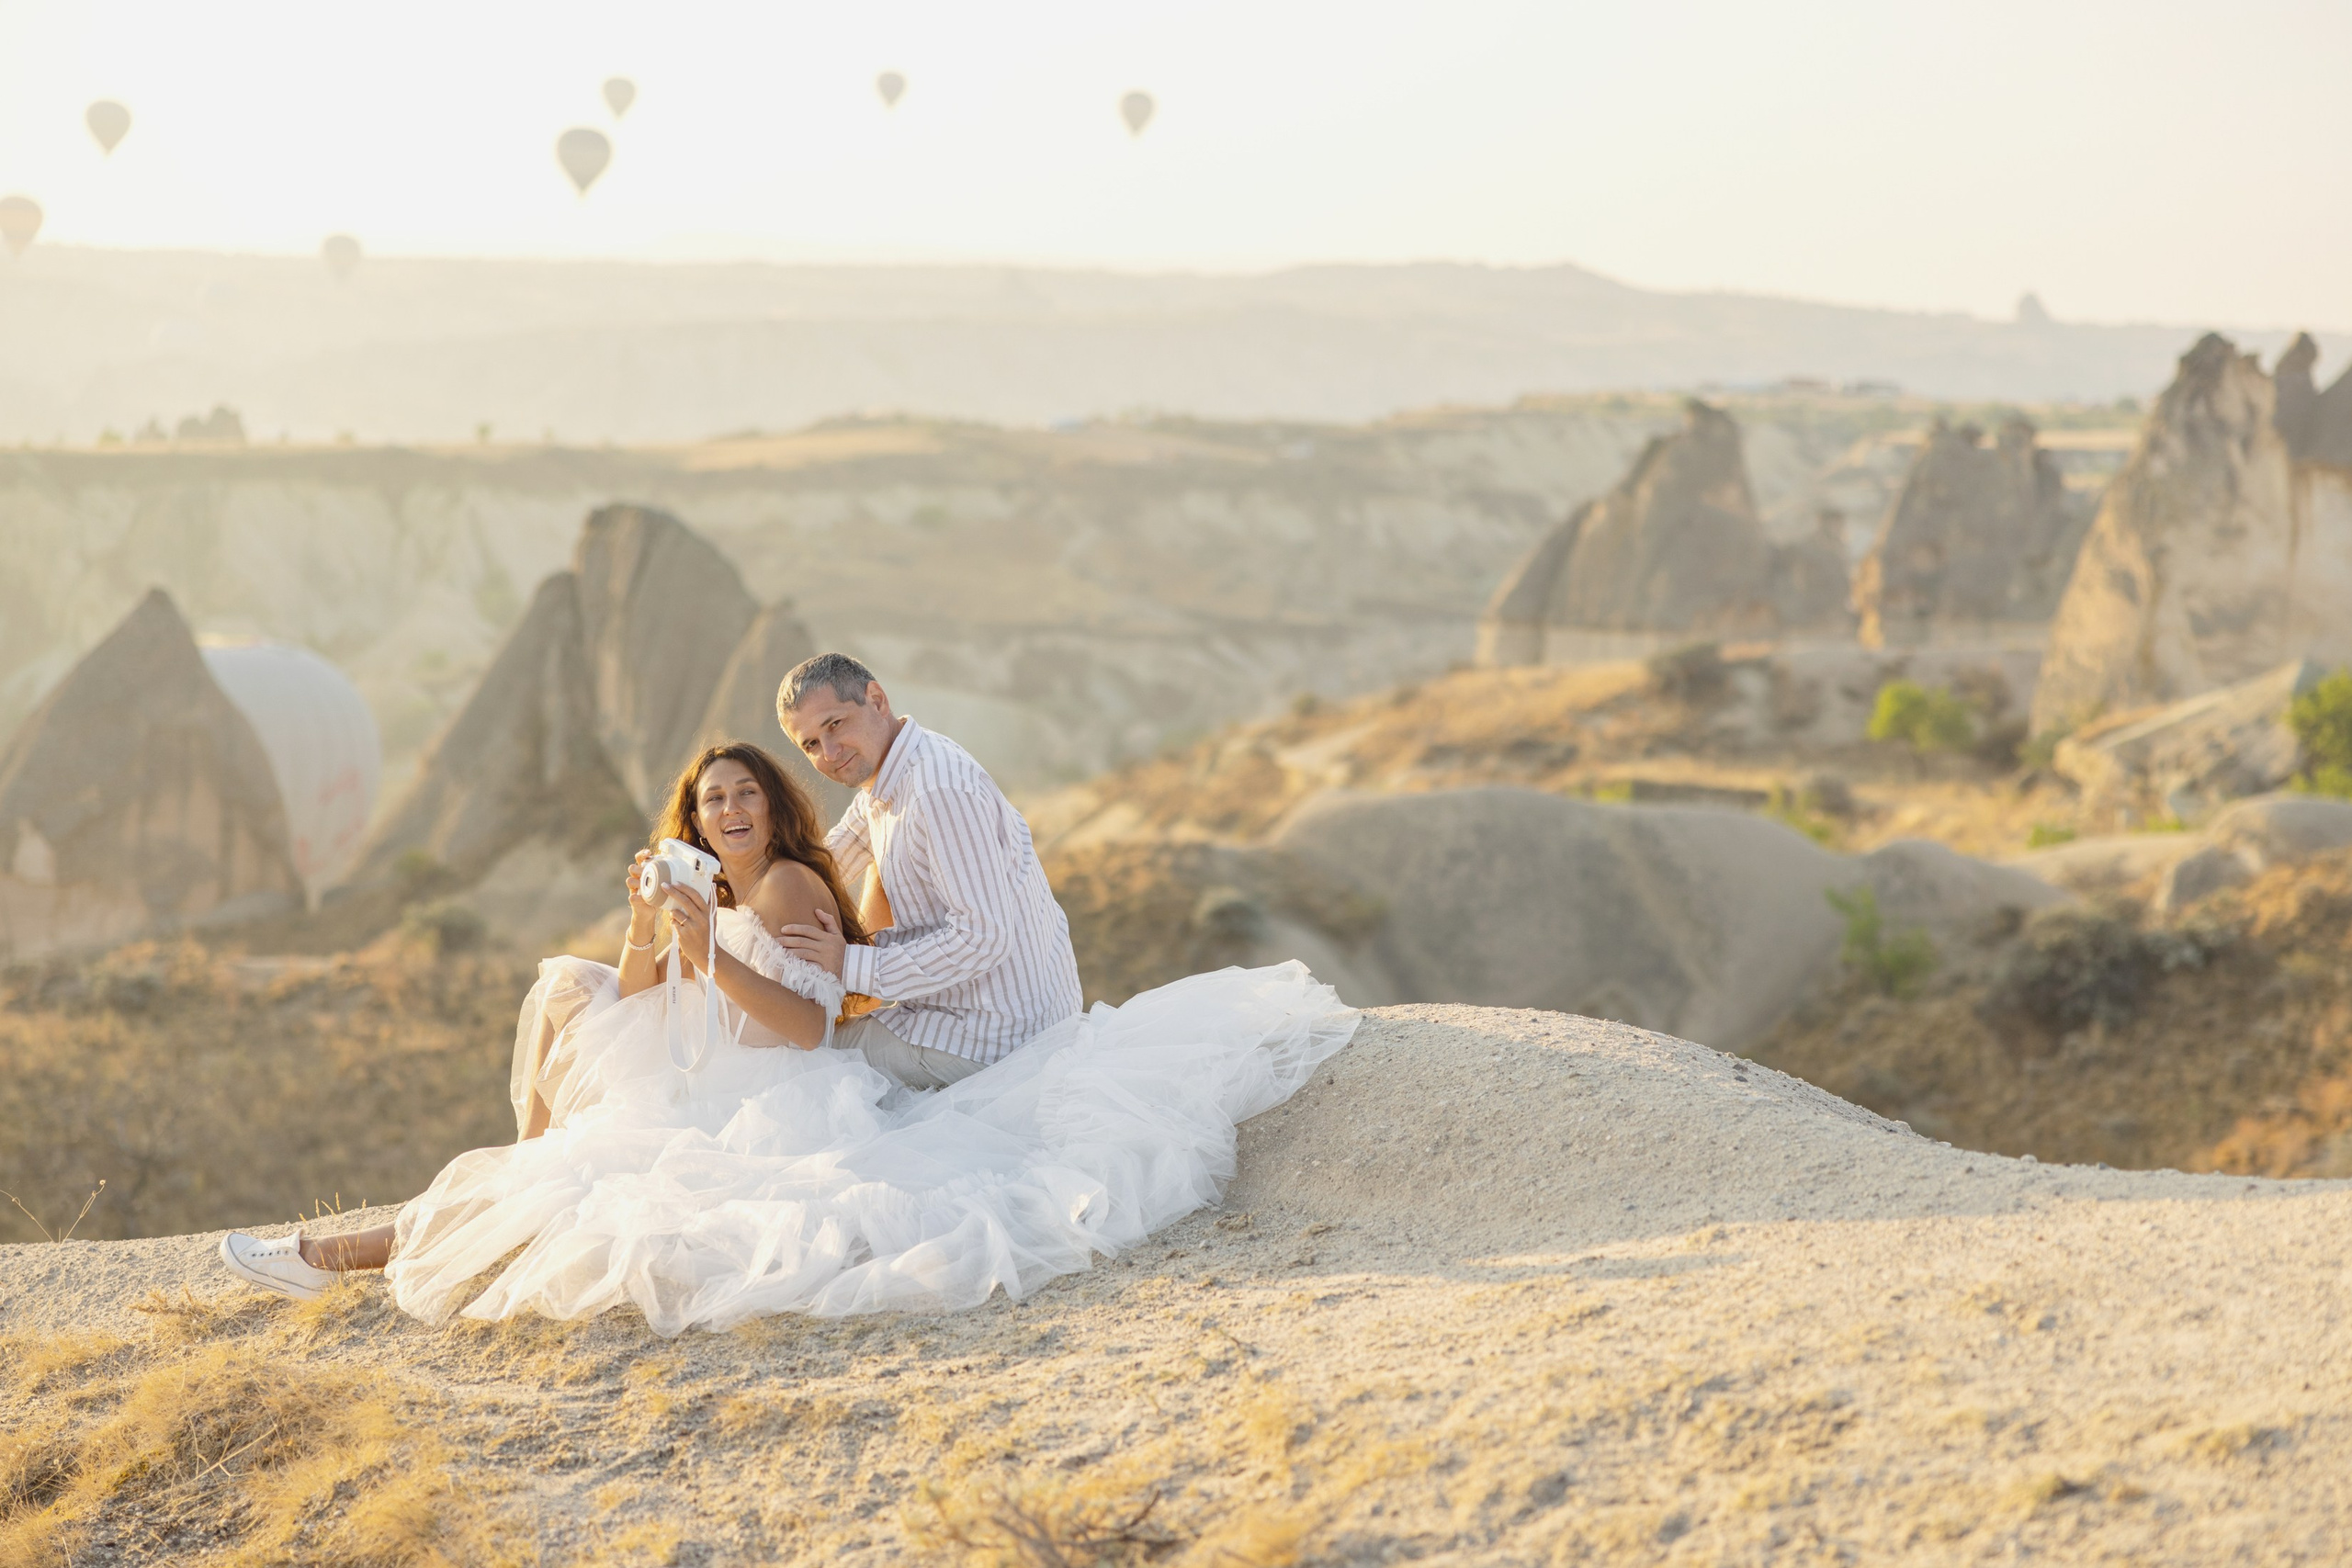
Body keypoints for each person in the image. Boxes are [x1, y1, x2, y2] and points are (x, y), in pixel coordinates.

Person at [217, 671, 1354, 1334]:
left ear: (874, 705)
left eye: (776, 772)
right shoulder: (828, 826)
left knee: (600, 1182)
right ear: (694, 817)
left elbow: (831, 1006)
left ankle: (342, 1251)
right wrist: (654, 921)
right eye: (714, 797)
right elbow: (794, 873)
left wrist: (790, 960)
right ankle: (423, 1209)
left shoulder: (879, 824)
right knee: (568, 1018)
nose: (818, 757)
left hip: (893, 1058)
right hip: (752, 1049)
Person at [771, 652, 1084, 1089]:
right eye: (810, 745)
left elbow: (984, 936)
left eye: (835, 725)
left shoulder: (935, 790)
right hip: (974, 1016)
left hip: (993, 1037)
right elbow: (826, 863)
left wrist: (849, 962)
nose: (830, 753)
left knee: (797, 1060)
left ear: (876, 700)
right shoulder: (891, 776)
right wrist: (740, 888)